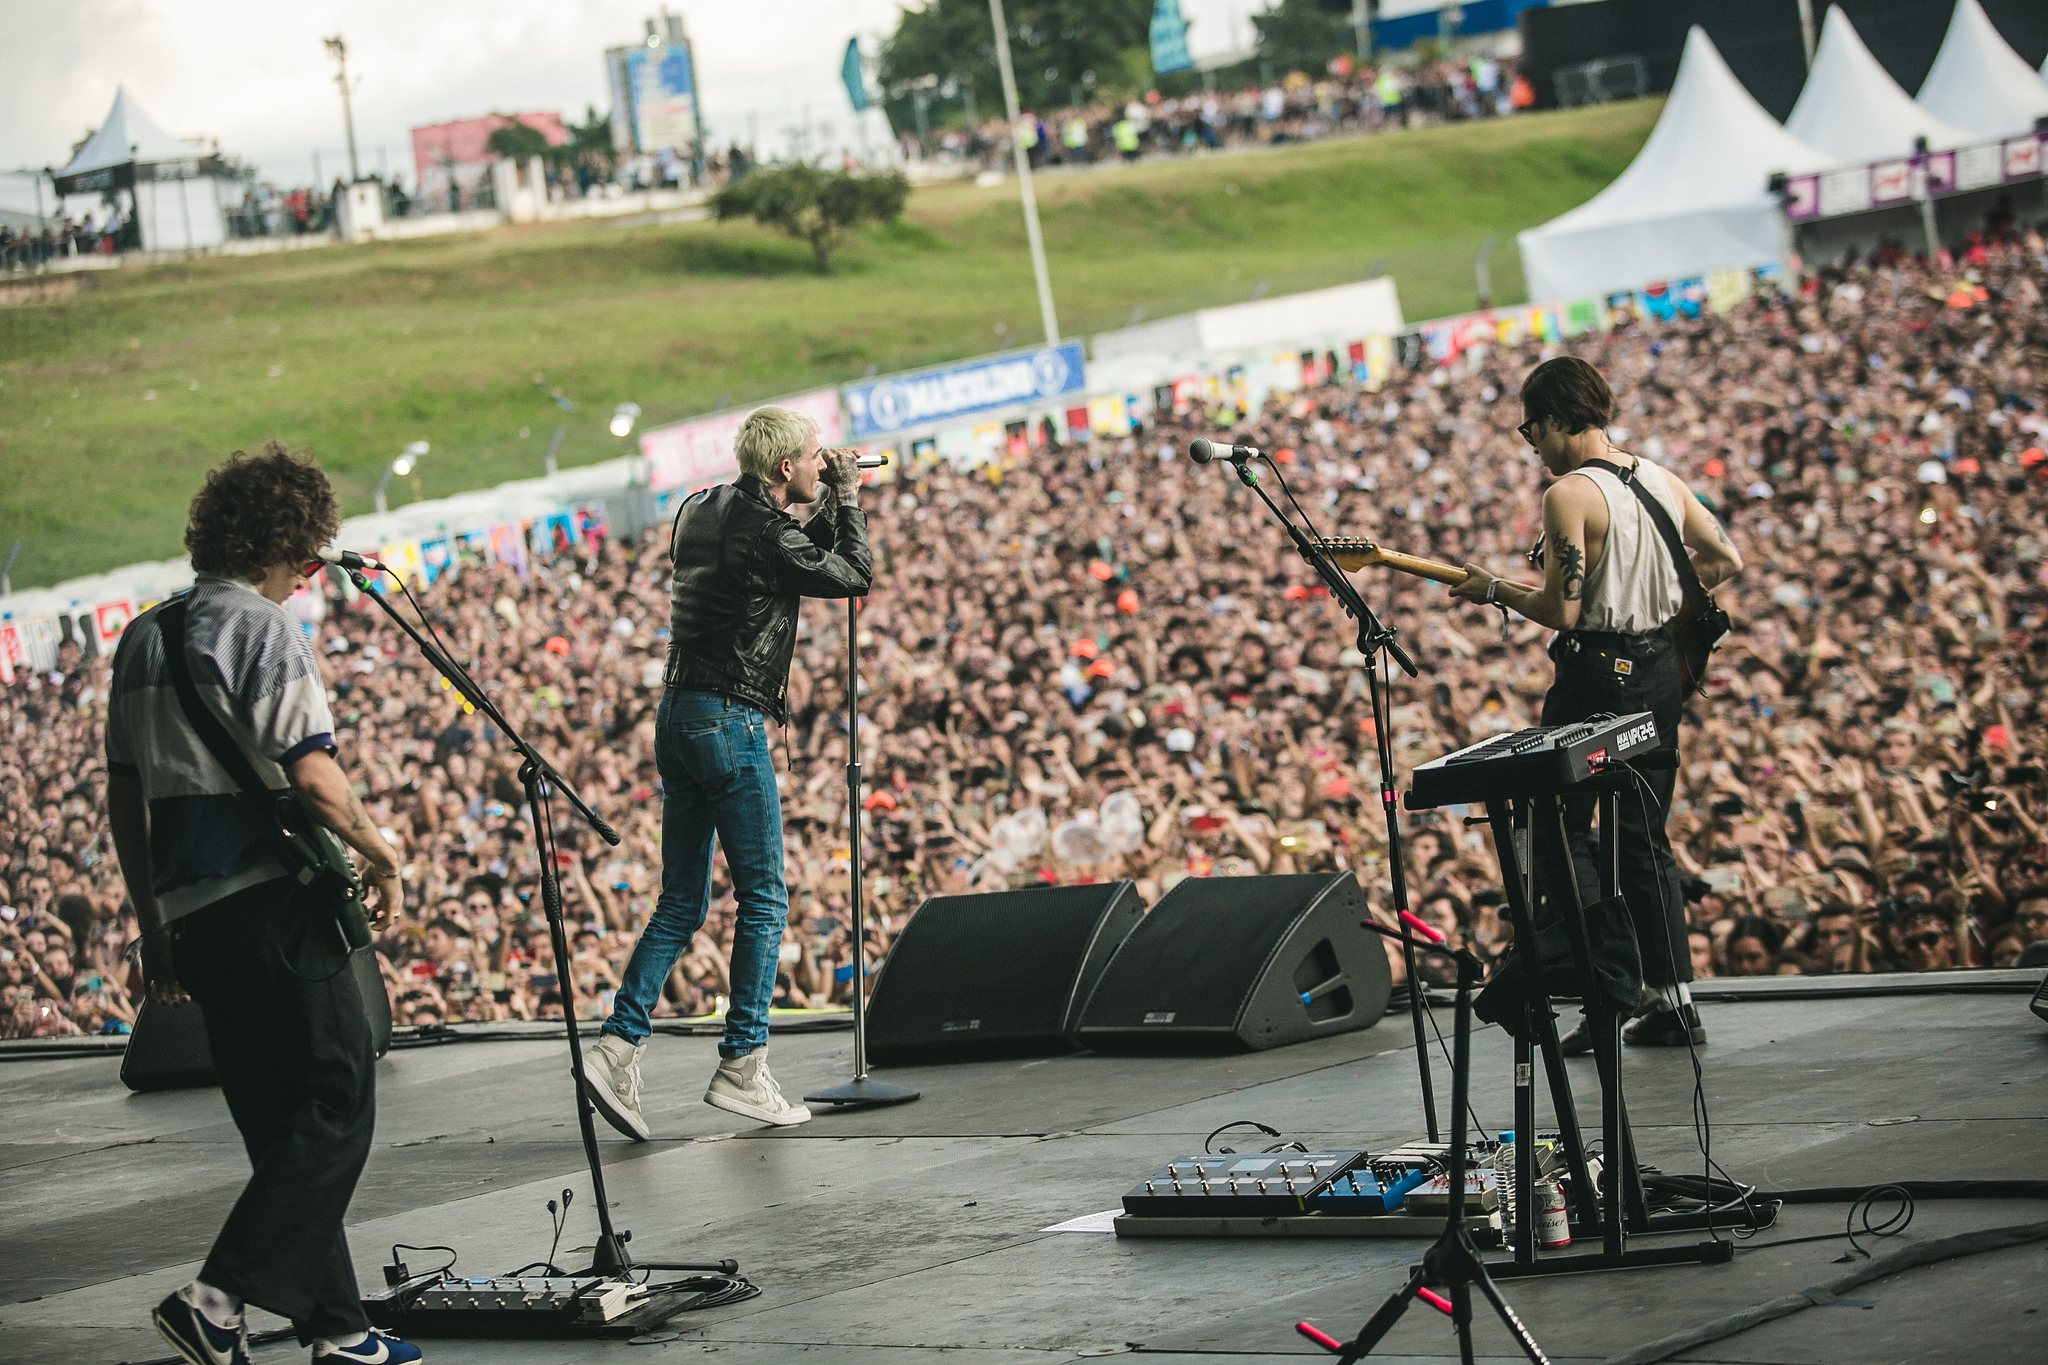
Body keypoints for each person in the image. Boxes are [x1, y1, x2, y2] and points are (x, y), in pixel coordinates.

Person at [105, 444, 415, 1365]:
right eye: (310, 558)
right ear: (281, 546)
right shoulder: (261, 630)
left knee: (280, 1126)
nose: (310, 577)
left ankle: (341, 1331)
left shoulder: (140, 637)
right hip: (271, 903)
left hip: (193, 917)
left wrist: (153, 924)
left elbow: (126, 800)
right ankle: (216, 1297)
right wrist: (381, 850)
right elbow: (315, 782)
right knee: (336, 1097)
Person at [580, 406, 870, 1137]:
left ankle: (617, 1045)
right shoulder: (769, 532)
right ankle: (742, 1063)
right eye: (812, 456)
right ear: (784, 470)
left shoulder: (700, 507)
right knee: (765, 898)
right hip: (730, 719)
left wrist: (830, 494)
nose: (820, 461)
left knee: (681, 900)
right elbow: (853, 574)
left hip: (676, 714)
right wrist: (853, 498)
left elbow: (799, 555)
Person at [1450, 356, 1741, 1047]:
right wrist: (1658, 595)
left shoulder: (1568, 495)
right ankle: (1674, 1000)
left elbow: (1563, 610)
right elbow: (1726, 558)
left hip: (1596, 675)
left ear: (1555, 418)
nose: (1532, 446)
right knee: (1643, 837)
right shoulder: (1660, 478)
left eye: (1531, 430)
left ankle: (1609, 981)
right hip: (1659, 673)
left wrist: (1491, 588)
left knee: (1553, 825)